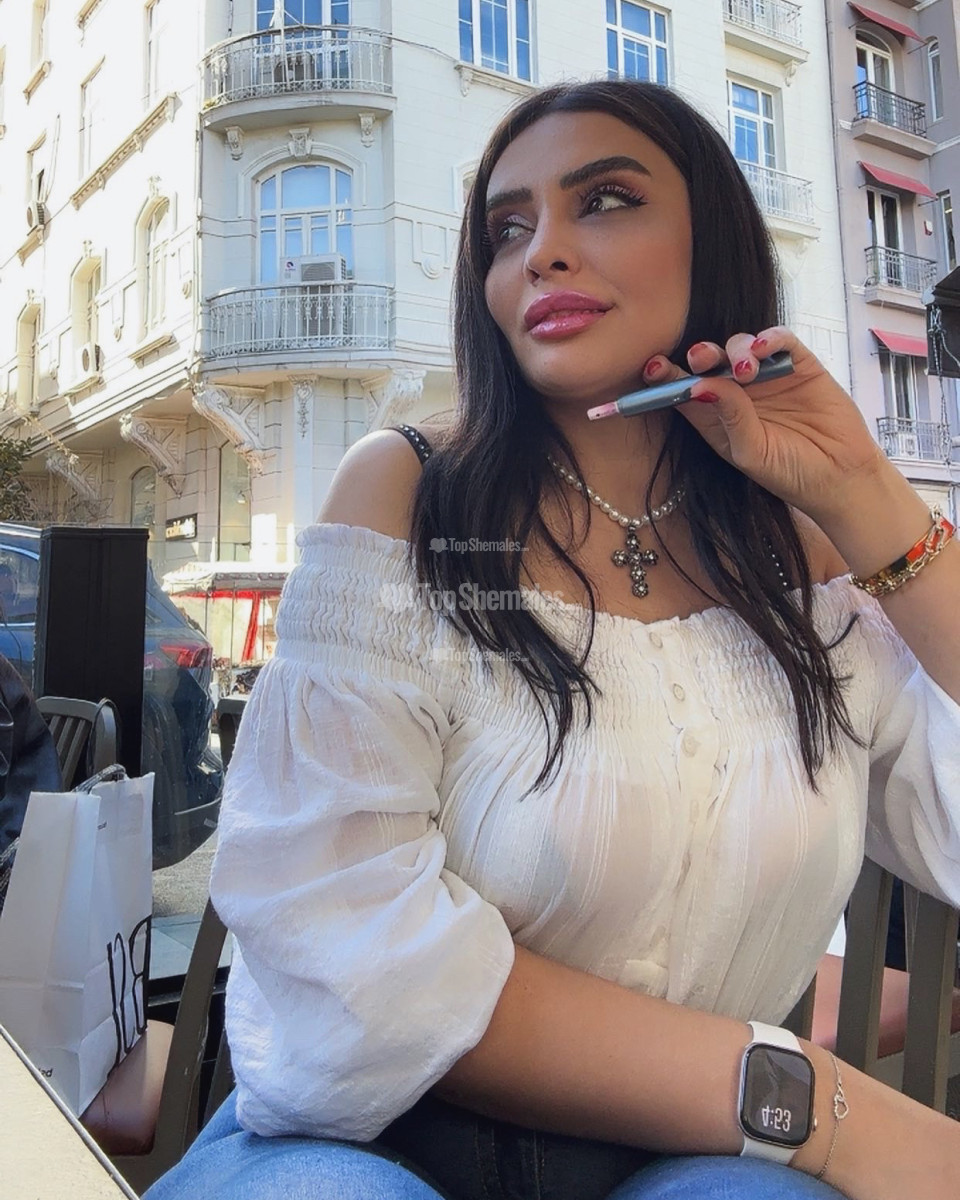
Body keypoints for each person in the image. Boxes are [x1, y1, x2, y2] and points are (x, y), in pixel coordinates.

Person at [145, 80, 960, 1200]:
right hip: (375, 1138)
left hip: (701, 1164)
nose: (543, 254)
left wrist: (868, 496)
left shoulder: (810, 557)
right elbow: (350, 946)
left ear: (714, 240)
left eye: (606, 200)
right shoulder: (406, 493)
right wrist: (809, 1102)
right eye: (507, 229)